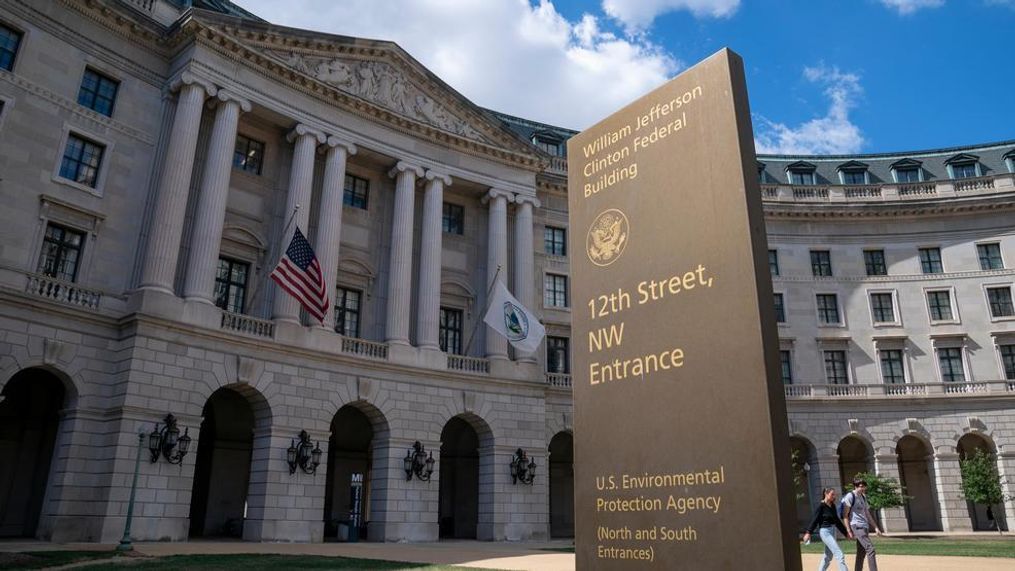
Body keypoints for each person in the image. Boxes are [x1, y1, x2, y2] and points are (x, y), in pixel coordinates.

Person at [802, 487, 852, 571]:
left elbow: (836, 521)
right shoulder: (821, 506)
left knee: (828, 556)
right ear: (826, 494)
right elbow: (815, 520)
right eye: (832, 494)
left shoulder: (832, 506)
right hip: (825, 532)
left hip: (833, 531)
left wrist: (845, 532)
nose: (834, 496)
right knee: (839, 554)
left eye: (834, 494)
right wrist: (808, 532)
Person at [841, 478, 884, 571]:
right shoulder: (850, 496)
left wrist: (876, 527)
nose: (863, 488)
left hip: (865, 526)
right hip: (856, 526)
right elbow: (845, 515)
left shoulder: (863, 497)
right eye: (861, 486)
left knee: (861, 552)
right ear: (855, 486)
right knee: (870, 549)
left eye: (864, 486)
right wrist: (848, 530)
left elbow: (867, 514)